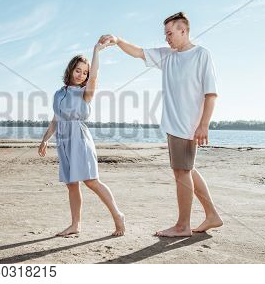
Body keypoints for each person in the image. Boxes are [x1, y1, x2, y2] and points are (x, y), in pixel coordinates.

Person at [99, 12, 223, 237]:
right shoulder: (167, 56)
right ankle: (212, 214)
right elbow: (138, 52)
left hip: (187, 126)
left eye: (170, 33)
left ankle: (183, 226)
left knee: (181, 173)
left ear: (183, 30)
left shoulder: (202, 55)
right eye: (165, 34)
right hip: (173, 125)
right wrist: (117, 41)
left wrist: (204, 124)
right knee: (187, 170)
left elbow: (211, 94)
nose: (167, 38)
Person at [38, 41, 126, 237]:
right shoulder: (58, 93)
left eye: (84, 72)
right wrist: (45, 139)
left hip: (79, 139)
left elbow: (94, 78)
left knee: (91, 181)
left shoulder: (85, 93)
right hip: (63, 141)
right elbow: (55, 119)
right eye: (78, 70)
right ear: (71, 70)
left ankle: (118, 215)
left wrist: (96, 51)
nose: (81, 75)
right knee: (72, 184)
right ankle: (75, 225)